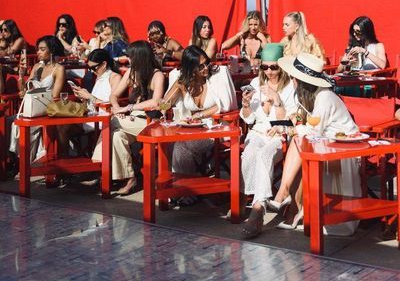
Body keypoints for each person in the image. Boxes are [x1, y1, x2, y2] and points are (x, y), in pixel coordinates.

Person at [267, 53, 361, 236]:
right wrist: (289, 124)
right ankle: (289, 201)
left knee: (300, 141)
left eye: (294, 77)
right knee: (300, 143)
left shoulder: (324, 97)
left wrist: (290, 129)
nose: (292, 80)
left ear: (301, 81)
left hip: (344, 150)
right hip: (325, 144)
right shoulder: (309, 96)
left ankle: (286, 198)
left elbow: (312, 131)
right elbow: (307, 128)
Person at [92, 40, 164, 195]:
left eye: (130, 57)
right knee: (117, 136)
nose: (128, 59)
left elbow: (156, 102)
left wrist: (127, 108)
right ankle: (129, 178)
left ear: (139, 57)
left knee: (110, 122)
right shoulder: (132, 72)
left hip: (150, 121)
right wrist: (116, 107)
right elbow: (114, 95)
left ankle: (99, 166)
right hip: (131, 119)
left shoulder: (157, 74)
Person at [240, 43, 297, 238]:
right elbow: (249, 119)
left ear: (281, 66)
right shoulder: (256, 83)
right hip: (257, 131)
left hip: (278, 134)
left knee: (264, 155)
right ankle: (254, 199)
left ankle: (258, 209)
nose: (269, 71)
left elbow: (289, 121)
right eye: (265, 67)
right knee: (249, 154)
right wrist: (246, 105)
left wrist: (277, 99)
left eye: (274, 67)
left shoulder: (290, 87)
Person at [165, 46, 237, 177]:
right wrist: (178, 84)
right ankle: (184, 182)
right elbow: (165, 104)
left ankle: (183, 186)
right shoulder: (184, 83)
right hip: (192, 129)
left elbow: (223, 105)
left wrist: (200, 114)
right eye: (200, 66)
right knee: (168, 143)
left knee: (181, 146)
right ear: (191, 69)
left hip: (215, 128)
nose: (206, 68)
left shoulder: (217, 76)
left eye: (206, 63)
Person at [9, 35, 65, 162]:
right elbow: (24, 90)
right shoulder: (36, 67)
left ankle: (27, 161)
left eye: (42, 49)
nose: (38, 52)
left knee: (17, 123)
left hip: (47, 108)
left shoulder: (59, 69)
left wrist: (33, 94)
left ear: (51, 51)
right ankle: (16, 160)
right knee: (10, 121)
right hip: (32, 107)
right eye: (38, 49)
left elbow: (55, 96)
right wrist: (21, 76)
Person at [0, 19, 26, 94]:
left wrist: (2, 40)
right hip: (9, 65)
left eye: (5, 30)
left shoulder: (20, 40)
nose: (3, 32)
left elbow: (10, 52)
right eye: (1, 30)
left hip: (21, 67)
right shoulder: (7, 41)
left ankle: (1, 92)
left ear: (12, 29)